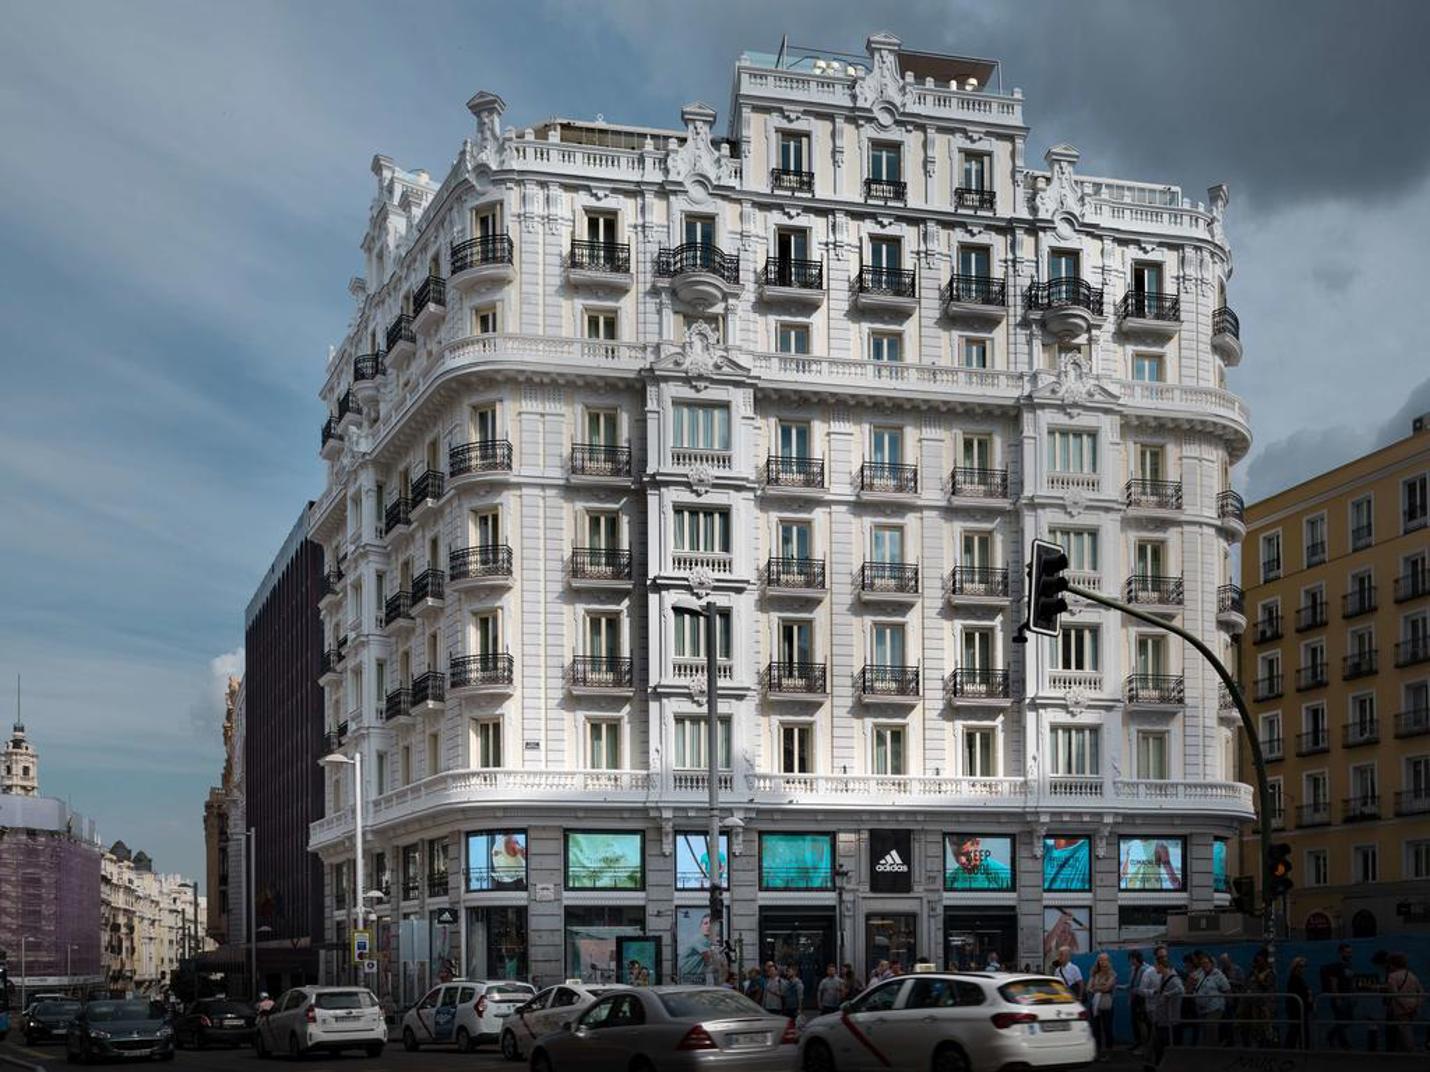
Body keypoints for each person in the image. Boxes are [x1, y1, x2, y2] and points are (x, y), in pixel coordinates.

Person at [1384, 952, 1423, 1053]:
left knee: (1405, 1031)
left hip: (1400, 1008)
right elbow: (1421, 992)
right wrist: (1416, 1005)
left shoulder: (1392, 977)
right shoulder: (1412, 975)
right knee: (1406, 1029)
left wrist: (1405, 1006)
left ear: (1392, 964)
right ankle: (1404, 1051)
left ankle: (1410, 1051)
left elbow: (1395, 994)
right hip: (1413, 1006)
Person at [1149, 960, 1185, 1065]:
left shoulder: (1173, 979)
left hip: (1169, 1019)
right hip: (1163, 1018)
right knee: (1159, 1045)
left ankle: (1162, 1064)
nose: (1155, 968)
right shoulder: (1163, 978)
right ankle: (1159, 1064)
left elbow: (1181, 990)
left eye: (1156, 966)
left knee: (1163, 1045)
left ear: (1161, 966)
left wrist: (1168, 994)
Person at [1193, 952, 1231, 1046]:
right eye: (1202, 963)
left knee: (1211, 1027)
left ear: (1211, 964)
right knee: (1205, 1031)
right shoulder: (1200, 974)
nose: (1204, 965)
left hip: (1215, 1007)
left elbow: (1227, 990)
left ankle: (1213, 1049)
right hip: (1202, 1008)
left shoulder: (1219, 975)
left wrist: (1228, 1007)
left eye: (1206, 962)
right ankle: (1207, 1049)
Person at [1322, 943, 1354, 1049]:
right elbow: (1334, 983)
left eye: (1350, 952)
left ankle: (1331, 1035)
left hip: (1348, 997)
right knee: (1341, 1020)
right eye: (1347, 952)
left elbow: (1350, 981)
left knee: (1348, 1020)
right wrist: (1337, 998)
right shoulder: (1336, 967)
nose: (1349, 954)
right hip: (1340, 997)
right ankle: (1344, 1044)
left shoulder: (1349, 965)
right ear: (1341, 953)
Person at [1088, 953, 1117, 1060]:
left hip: (1106, 1004)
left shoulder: (1112, 974)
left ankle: (1109, 1052)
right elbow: (1088, 988)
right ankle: (1098, 1051)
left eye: (1104, 960)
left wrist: (1096, 987)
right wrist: (1101, 987)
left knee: (1107, 1028)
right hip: (1095, 1005)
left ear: (1108, 961)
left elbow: (1107, 988)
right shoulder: (1095, 973)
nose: (1102, 962)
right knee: (1096, 1029)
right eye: (1100, 960)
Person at [1128, 950, 1157, 1056]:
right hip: (1135, 998)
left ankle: (1146, 1046)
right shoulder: (1134, 969)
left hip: (1142, 1000)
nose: (1131, 961)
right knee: (1135, 1023)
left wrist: (1133, 990)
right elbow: (1131, 984)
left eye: (1132, 959)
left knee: (1143, 1024)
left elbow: (1141, 987)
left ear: (1137, 959)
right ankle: (1139, 1043)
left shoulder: (1146, 969)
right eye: (1130, 959)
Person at [1245, 948, 1275, 1047]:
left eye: (1260, 961)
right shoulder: (1253, 972)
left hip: (1266, 1004)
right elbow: (1248, 983)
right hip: (1255, 1003)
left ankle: (1269, 1045)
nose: (1258, 963)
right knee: (1256, 1026)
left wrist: (1259, 979)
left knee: (1266, 1026)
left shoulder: (1270, 973)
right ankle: (1258, 1044)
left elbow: (1267, 986)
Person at [1285, 956, 1312, 1050]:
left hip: (1299, 1008)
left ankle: (1293, 1049)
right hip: (1297, 1009)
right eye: (1301, 966)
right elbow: (1297, 993)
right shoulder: (1294, 979)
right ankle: (1299, 1049)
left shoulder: (1298, 978)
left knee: (1296, 1030)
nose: (1303, 968)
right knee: (1297, 1030)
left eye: (1304, 966)